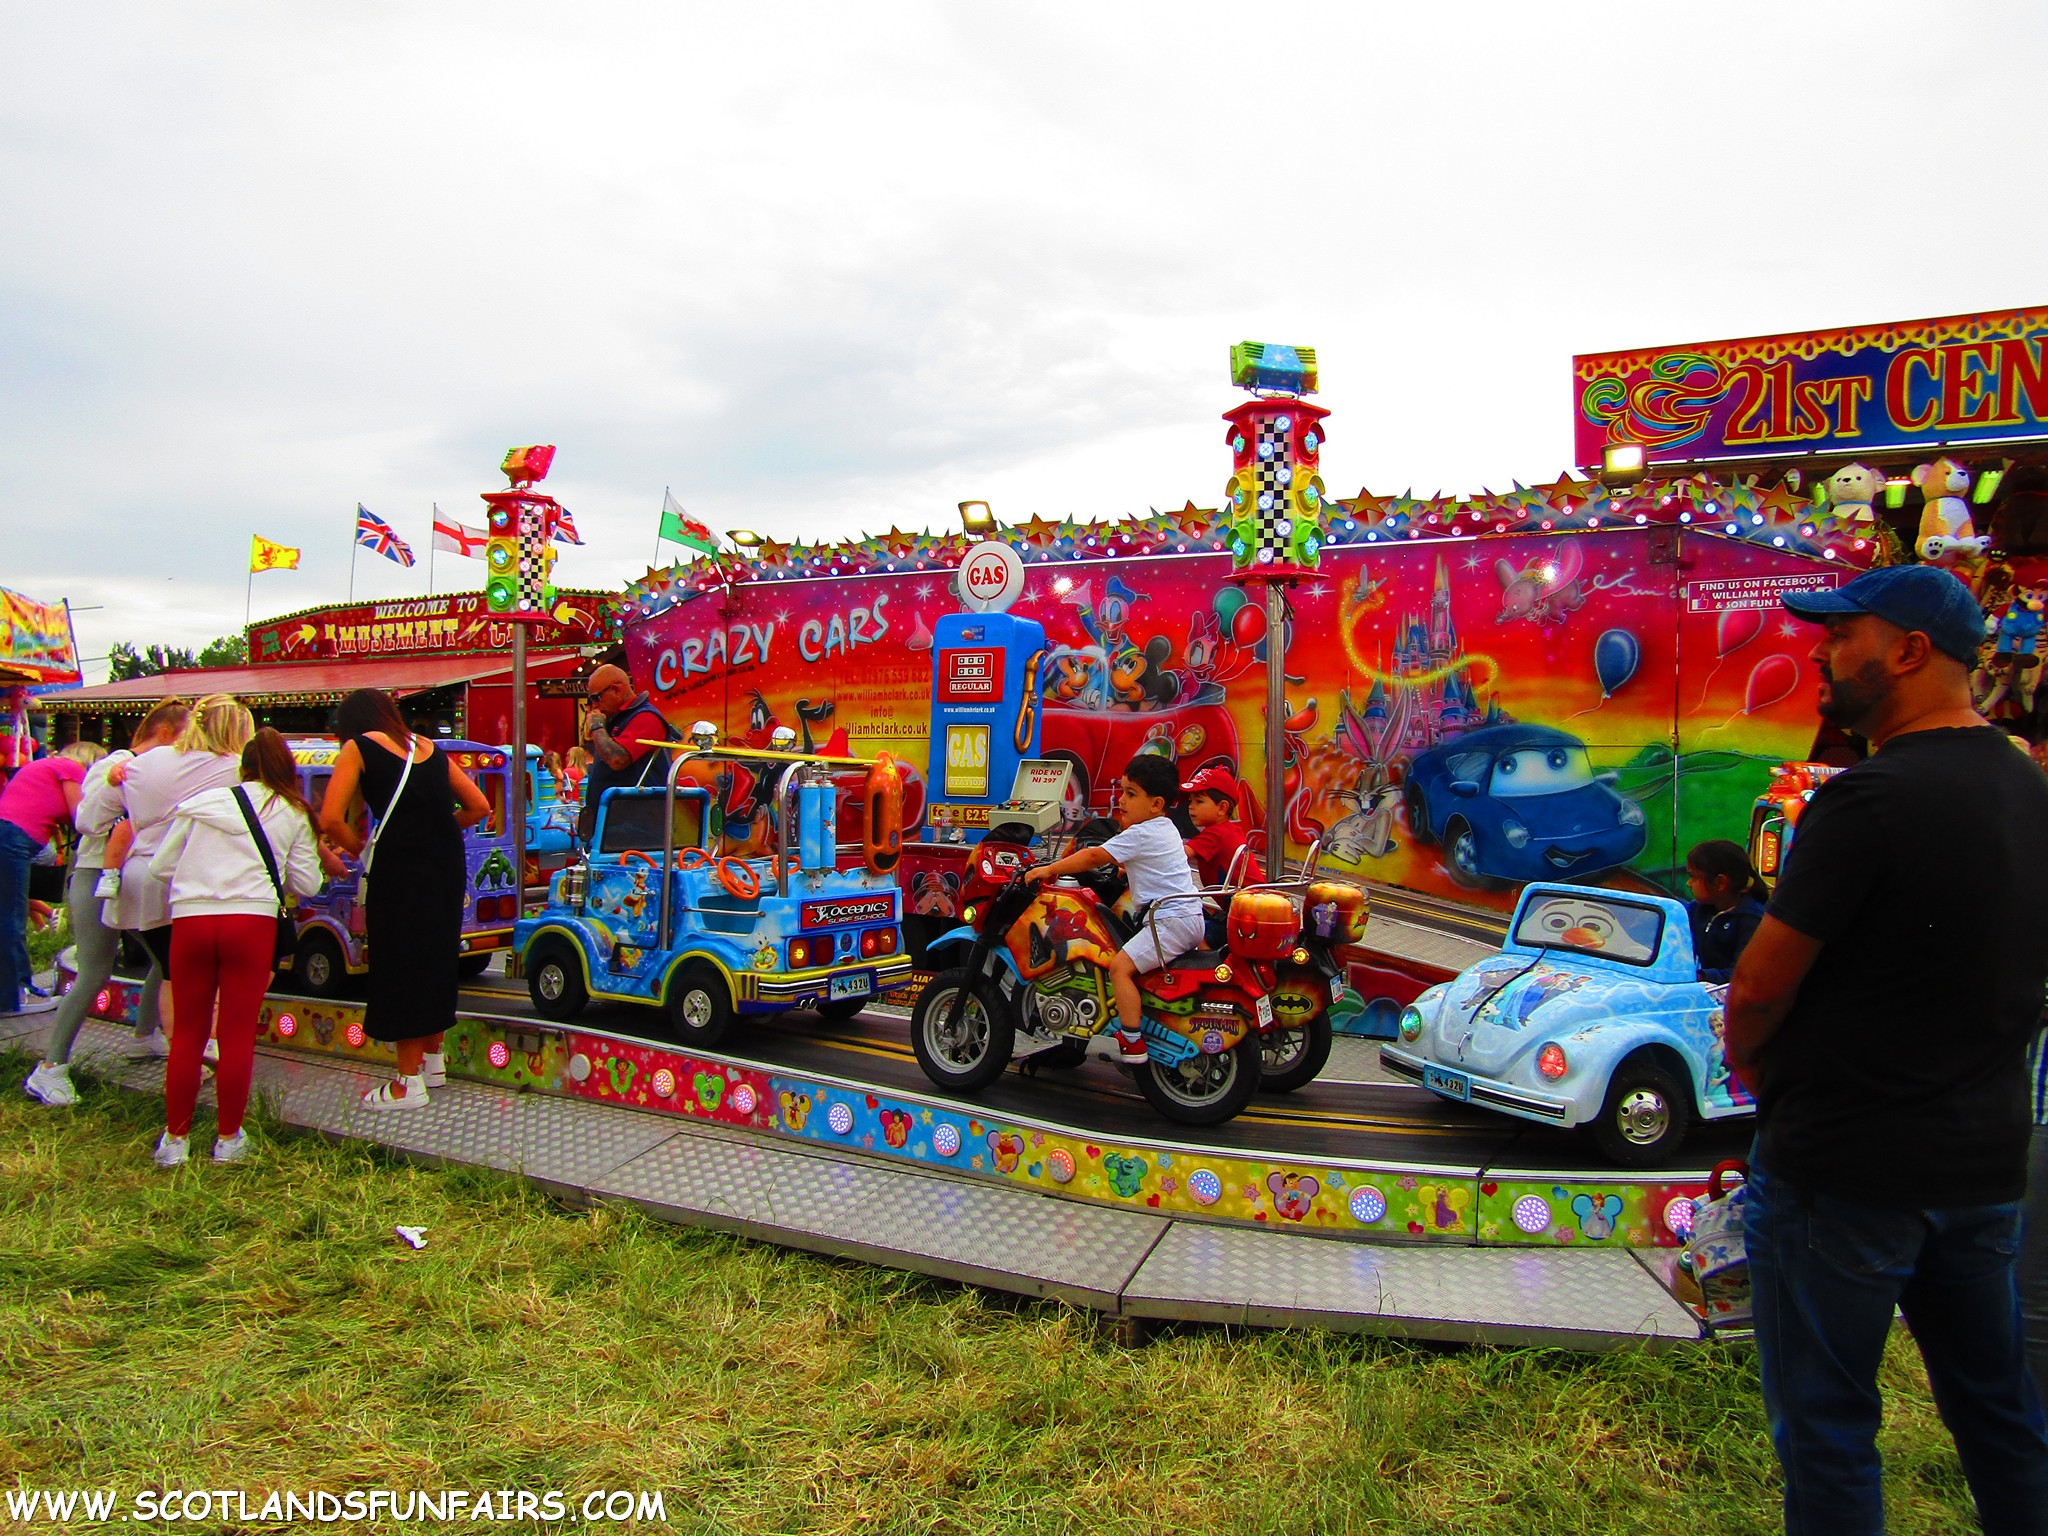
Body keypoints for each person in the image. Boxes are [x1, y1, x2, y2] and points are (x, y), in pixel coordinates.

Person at [1723, 564, 2048, 1535]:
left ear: (1908, 652)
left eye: (1842, 636)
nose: (1821, 653)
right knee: (1997, 1411)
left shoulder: (1868, 801)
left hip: (1845, 1171)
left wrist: (1753, 1067)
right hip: (1982, 1164)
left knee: (1827, 1429)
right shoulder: (2025, 786)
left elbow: (1758, 986)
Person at [146, 729, 334, 1166]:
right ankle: (228, 1138)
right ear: (286, 768)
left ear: (243, 767)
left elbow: (159, 867)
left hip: (191, 920)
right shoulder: (292, 811)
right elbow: (308, 883)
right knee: (235, 1035)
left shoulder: (202, 804)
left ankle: (175, 1140)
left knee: (188, 1034)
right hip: (251, 923)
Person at [319, 688, 489, 1109]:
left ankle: (406, 1082)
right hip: (445, 865)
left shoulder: (358, 749)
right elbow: (479, 806)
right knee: (436, 958)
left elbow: (331, 818)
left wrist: (362, 849)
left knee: (400, 963)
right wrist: (436, 830)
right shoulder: (429, 748)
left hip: (399, 869)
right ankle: (434, 1061)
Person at [25, 702, 189, 1104]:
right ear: (165, 733)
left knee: (165, 959)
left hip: (133, 879)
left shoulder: (161, 775)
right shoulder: (118, 764)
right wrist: (119, 786)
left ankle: (144, 1035)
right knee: (95, 972)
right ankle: (49, 1068)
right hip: (98, 875)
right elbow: (87, 820)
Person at [1022, 754, 1203, 1065]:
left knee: (1120, 968)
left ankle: (1132, 1040)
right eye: (1122, 791)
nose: (1122, 800)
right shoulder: (1166, 828)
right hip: (1189, 918)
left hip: (1168, 922)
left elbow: (1094, 856)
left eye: (1131, 794)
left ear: (1156, 804)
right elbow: (1155, 864)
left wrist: (1049, 869)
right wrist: (1125, 869)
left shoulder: (1140, 833)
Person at [105, 696, 254, 1053]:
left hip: (141, 873)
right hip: (194, 878)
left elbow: (102, 807)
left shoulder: (145, 762)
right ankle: (203, 1048)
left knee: (172, 970)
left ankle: (180, 1051)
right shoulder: (236, 770)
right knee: (206, 973)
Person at [0, 742, 98, 1020]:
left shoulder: (43, 765)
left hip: (8, 834)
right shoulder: (70, 767)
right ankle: (12, 996)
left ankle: (19, 987)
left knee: (10, 915)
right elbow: (81, 817)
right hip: (13, 839)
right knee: (11, 918)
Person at [576, 665, 675, 841]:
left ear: (616, 690)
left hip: (639, 829)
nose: (594, 705)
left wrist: (597, 727)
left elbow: (617, 759)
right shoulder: (617, 719)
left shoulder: (647, 717)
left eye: (596, 697)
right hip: (615, 825)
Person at [1683, 839, 1767, 985]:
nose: (1688, 883)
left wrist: (1701, 976)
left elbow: (1742, 973)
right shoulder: (1697, 909)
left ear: (1720, 883)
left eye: (1693, 877)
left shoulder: (1751, 919)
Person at [1180, 766, 1262, 887]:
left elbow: (1179, 855)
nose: (1191, 806)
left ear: (1222, 808)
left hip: (1246, 897)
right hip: (1252, 894)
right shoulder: (1228, 829)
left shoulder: (1216, 834)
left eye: (1199, 801)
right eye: (1190, 801)